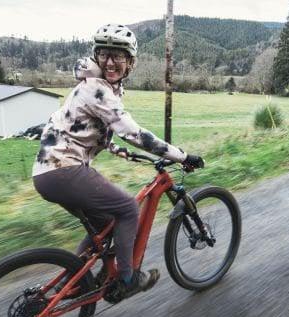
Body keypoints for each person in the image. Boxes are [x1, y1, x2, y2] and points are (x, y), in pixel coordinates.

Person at [22, 24, 204, 299]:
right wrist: (181, 155)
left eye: (118, 56)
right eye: (104, 54)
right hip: (64, 169)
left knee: (105, 224)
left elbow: (103, 137)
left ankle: (69, 286)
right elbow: (134, 133)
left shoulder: (99, 87)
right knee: (128, 209)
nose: (110, 62)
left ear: (130, 62)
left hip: (50, 173)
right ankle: (126, 279)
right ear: (96, 56)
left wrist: (130, 156)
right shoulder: (97, 89)